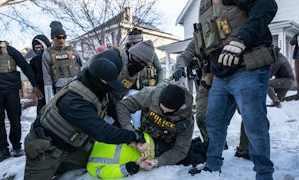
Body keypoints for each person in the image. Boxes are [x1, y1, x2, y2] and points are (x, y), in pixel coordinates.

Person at [188, 1, 278, 179]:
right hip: (220, 75)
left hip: (247, 68)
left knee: (254, 124)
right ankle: (213, 163)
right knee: (213, 121)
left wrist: (241, 40)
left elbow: (266, 5)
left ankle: (264, 173)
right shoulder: (205, 6)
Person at [24, 58, 147, 179]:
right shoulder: (74, 101)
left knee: (96, 160)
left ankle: (63, 166)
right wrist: (133, 136)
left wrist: (131, 130)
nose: (111, 87)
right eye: (109, 83)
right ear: (99, 80)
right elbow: (103, 132)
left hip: (73, 145)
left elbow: (116, 111)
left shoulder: (99, 90)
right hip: (46, 149)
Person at [0, 24, 43, 162]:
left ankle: (16, 146)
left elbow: (25, 67)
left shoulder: (9, 49)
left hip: (11, 90)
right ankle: (3, 149)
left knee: (15, 120)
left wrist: (35, 85)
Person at [116, 84, 208, 169]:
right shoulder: (149, 95)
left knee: (190, 158)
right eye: (161, 109)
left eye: (169, 112)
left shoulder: (186, 120)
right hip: (146, 133)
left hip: (168, 142)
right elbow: (123, 106)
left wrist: (157, 162)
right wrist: (131, 135)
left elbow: (180, 150)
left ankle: (206, 147)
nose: (164, 113)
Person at [42, 21, 84, 104]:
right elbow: (47, 78)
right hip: (60, 90)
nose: (61, 40)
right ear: (53, 38)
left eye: (64, 37)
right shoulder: (47, 53)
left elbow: (84, 67)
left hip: (77, 87)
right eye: (58, 37)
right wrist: (49, 100)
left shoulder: (72, 50)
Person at [87, 132, 155, 178]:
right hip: (147, 158)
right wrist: (130, 167)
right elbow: (107, 173)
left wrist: (139, 140)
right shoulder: (101, 135)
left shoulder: (101, 135)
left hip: (147, 147)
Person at [29, 35, 51, 114]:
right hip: (42, 92)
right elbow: (31, 76)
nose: (39, 50)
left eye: (41, 47)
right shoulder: (34, 61)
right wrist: (35, 86)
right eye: (36, 48)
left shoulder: (52, 57)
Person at [289, 33, 299, 100]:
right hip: (297, 58)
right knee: (297, 76)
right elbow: (291, 42)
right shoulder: (297, 35)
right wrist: (296, 35)